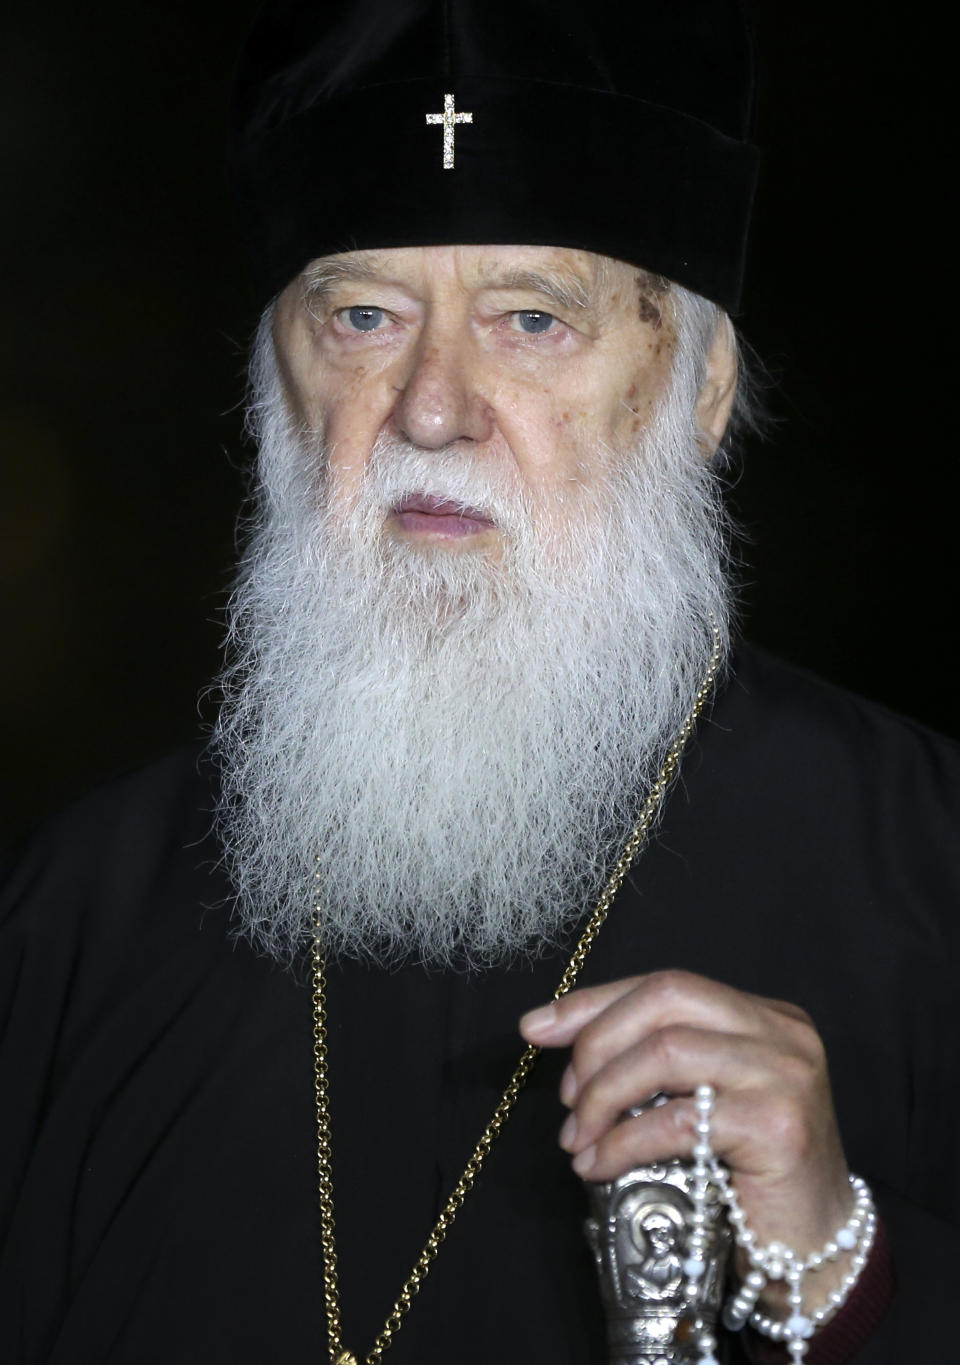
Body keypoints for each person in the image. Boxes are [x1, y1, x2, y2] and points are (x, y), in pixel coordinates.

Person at [2, 2, 957, 1363]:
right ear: (277, 379)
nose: (433, 405)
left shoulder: (931, 875)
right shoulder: (67, 923)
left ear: (699, 387)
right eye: (366, 316)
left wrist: (841, 1263)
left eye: (532, 319)